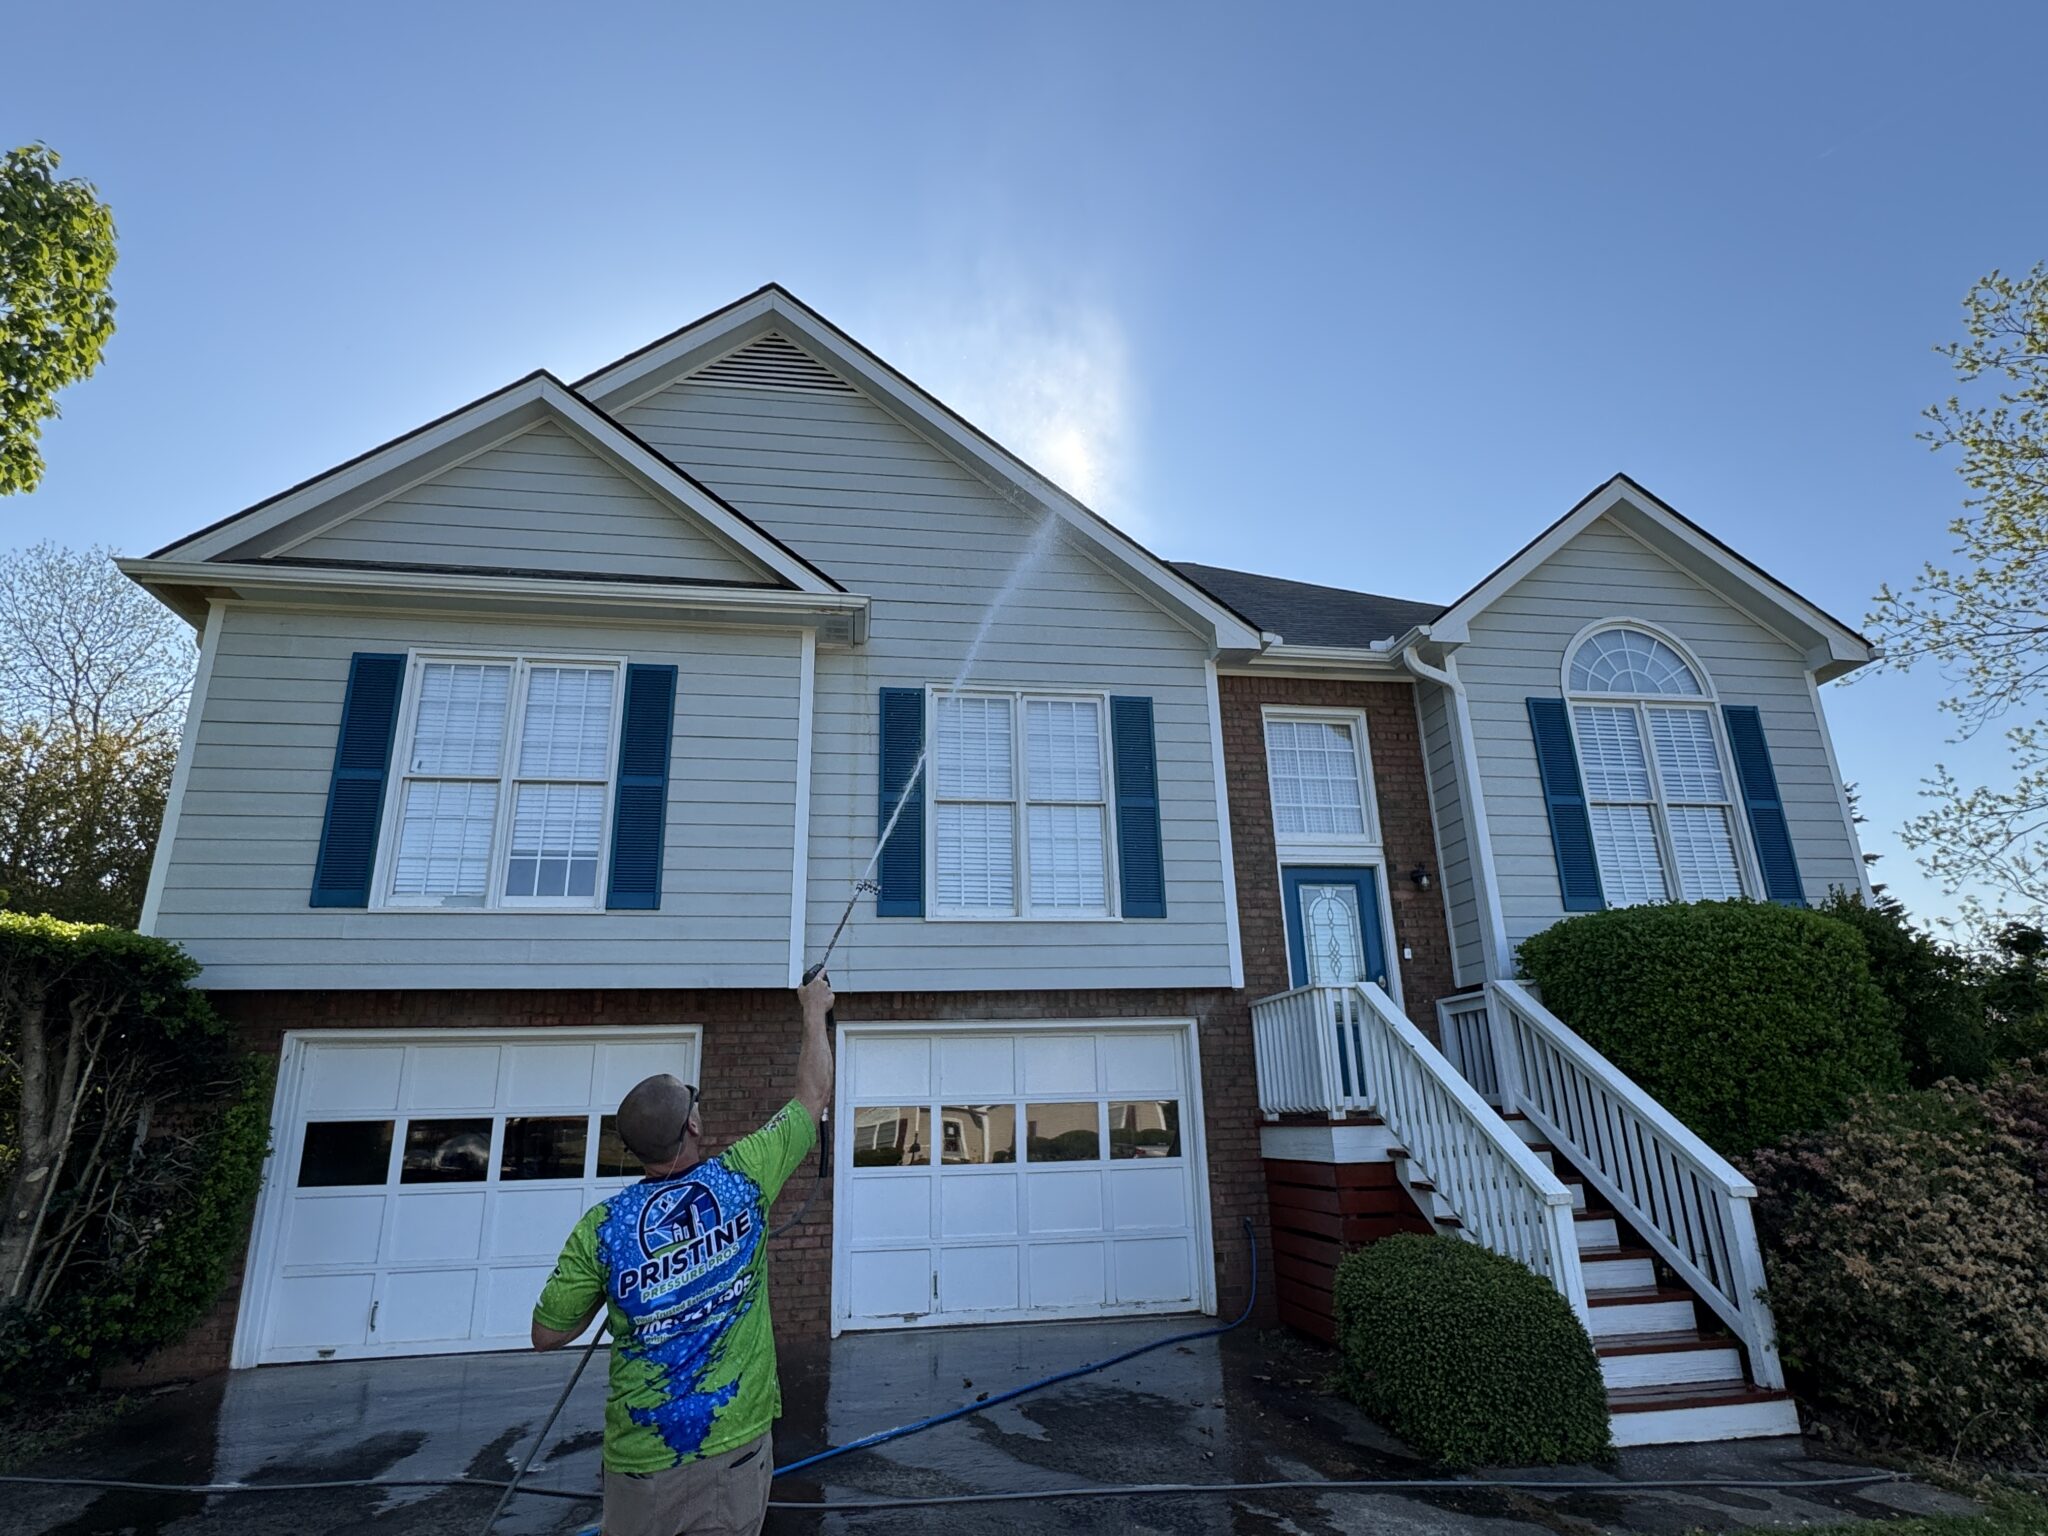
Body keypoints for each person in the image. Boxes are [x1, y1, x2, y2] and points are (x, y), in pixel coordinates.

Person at [531, 976, 835, 1536]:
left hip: (639, 1459)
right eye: (694, 1102)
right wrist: (814, 1009)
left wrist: (631, 1293)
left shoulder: (602, 1229)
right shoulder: (743, 1175)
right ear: (692, 1125)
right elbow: (811, 1098)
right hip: (733, 1446)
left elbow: (548, 1333)